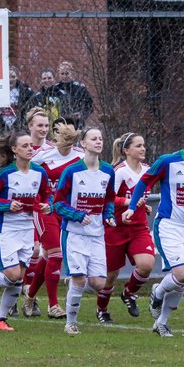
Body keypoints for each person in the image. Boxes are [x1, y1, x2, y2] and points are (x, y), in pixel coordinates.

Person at [124, 120, 184, 338]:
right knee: (182, 272)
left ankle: (162, 323)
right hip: (168, 224)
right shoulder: (167, 162)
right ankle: (158, 291)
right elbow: (143, 183)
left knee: (182, 280)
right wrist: (132, 207)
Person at [0, 129, 50, 332]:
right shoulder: (4, 173)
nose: (30, 149)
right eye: (24, 146)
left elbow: (47, 195)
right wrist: (7, 205)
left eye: (31, 145)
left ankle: (1, 319)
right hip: (6, 229)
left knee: (19, 278)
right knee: (12, 274)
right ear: (14, 150)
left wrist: (46, 205)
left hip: (27, 228)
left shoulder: (39, 172)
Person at [51, 127, 116, 335]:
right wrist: (78, 215)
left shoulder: (108, 171)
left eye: (101, 138)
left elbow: (109, 199)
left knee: (99, 283)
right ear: (84, 144)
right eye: (94, 138)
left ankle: (74, 287)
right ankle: (71, 322)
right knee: (79, 279)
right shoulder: (71, 171)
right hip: (74, 233)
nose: (98, 141)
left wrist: (109, 215)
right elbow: (57, 204)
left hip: (97, 235)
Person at [24, 116, 85, 319]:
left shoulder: (80, 156)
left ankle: (30, 297)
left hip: (66, 210)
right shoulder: (43, 155)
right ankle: (53, 305)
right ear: (57, 137)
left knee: (48, 256)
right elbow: (25, 172)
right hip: (45, 209)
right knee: (56, 254)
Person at [95, 131, 156, 324]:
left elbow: (142, 197)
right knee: (111, 275)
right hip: (116, 228)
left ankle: (129, 293)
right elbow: (108, 198)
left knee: (146, 264)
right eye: (138, 146)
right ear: (126, 150)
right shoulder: (119, 171)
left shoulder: (148, 170)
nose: (143, 148)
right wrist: (129, 202)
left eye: (144, 145)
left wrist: (142, 205)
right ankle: (102, 309)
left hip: (138, 227)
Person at [18, 107, 55, 318]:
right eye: (39, 125)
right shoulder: (23, 149)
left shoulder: (53, 149)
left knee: (43, 252)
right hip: (23, 209)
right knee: (29, 252)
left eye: (47, 126)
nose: (44, 129)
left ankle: (29, 295)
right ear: (30, 126)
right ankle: (19, 293)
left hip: (44, 208)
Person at [55, 60, 94, 128]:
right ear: (58, 74)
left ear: (72, 73)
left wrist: (81, 114)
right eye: (62, 74)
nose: (64, 76)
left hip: (77, 123)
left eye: (67, 73)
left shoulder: (80, 88)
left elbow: (90, 105)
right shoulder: (54, 89)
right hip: (59, 122)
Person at [0, 66, 32, 132]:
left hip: (19, 123)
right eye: (8, 77)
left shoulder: (24, 91)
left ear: (17, 77)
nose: (10, 79)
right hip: (2, 122)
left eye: (13, 77)